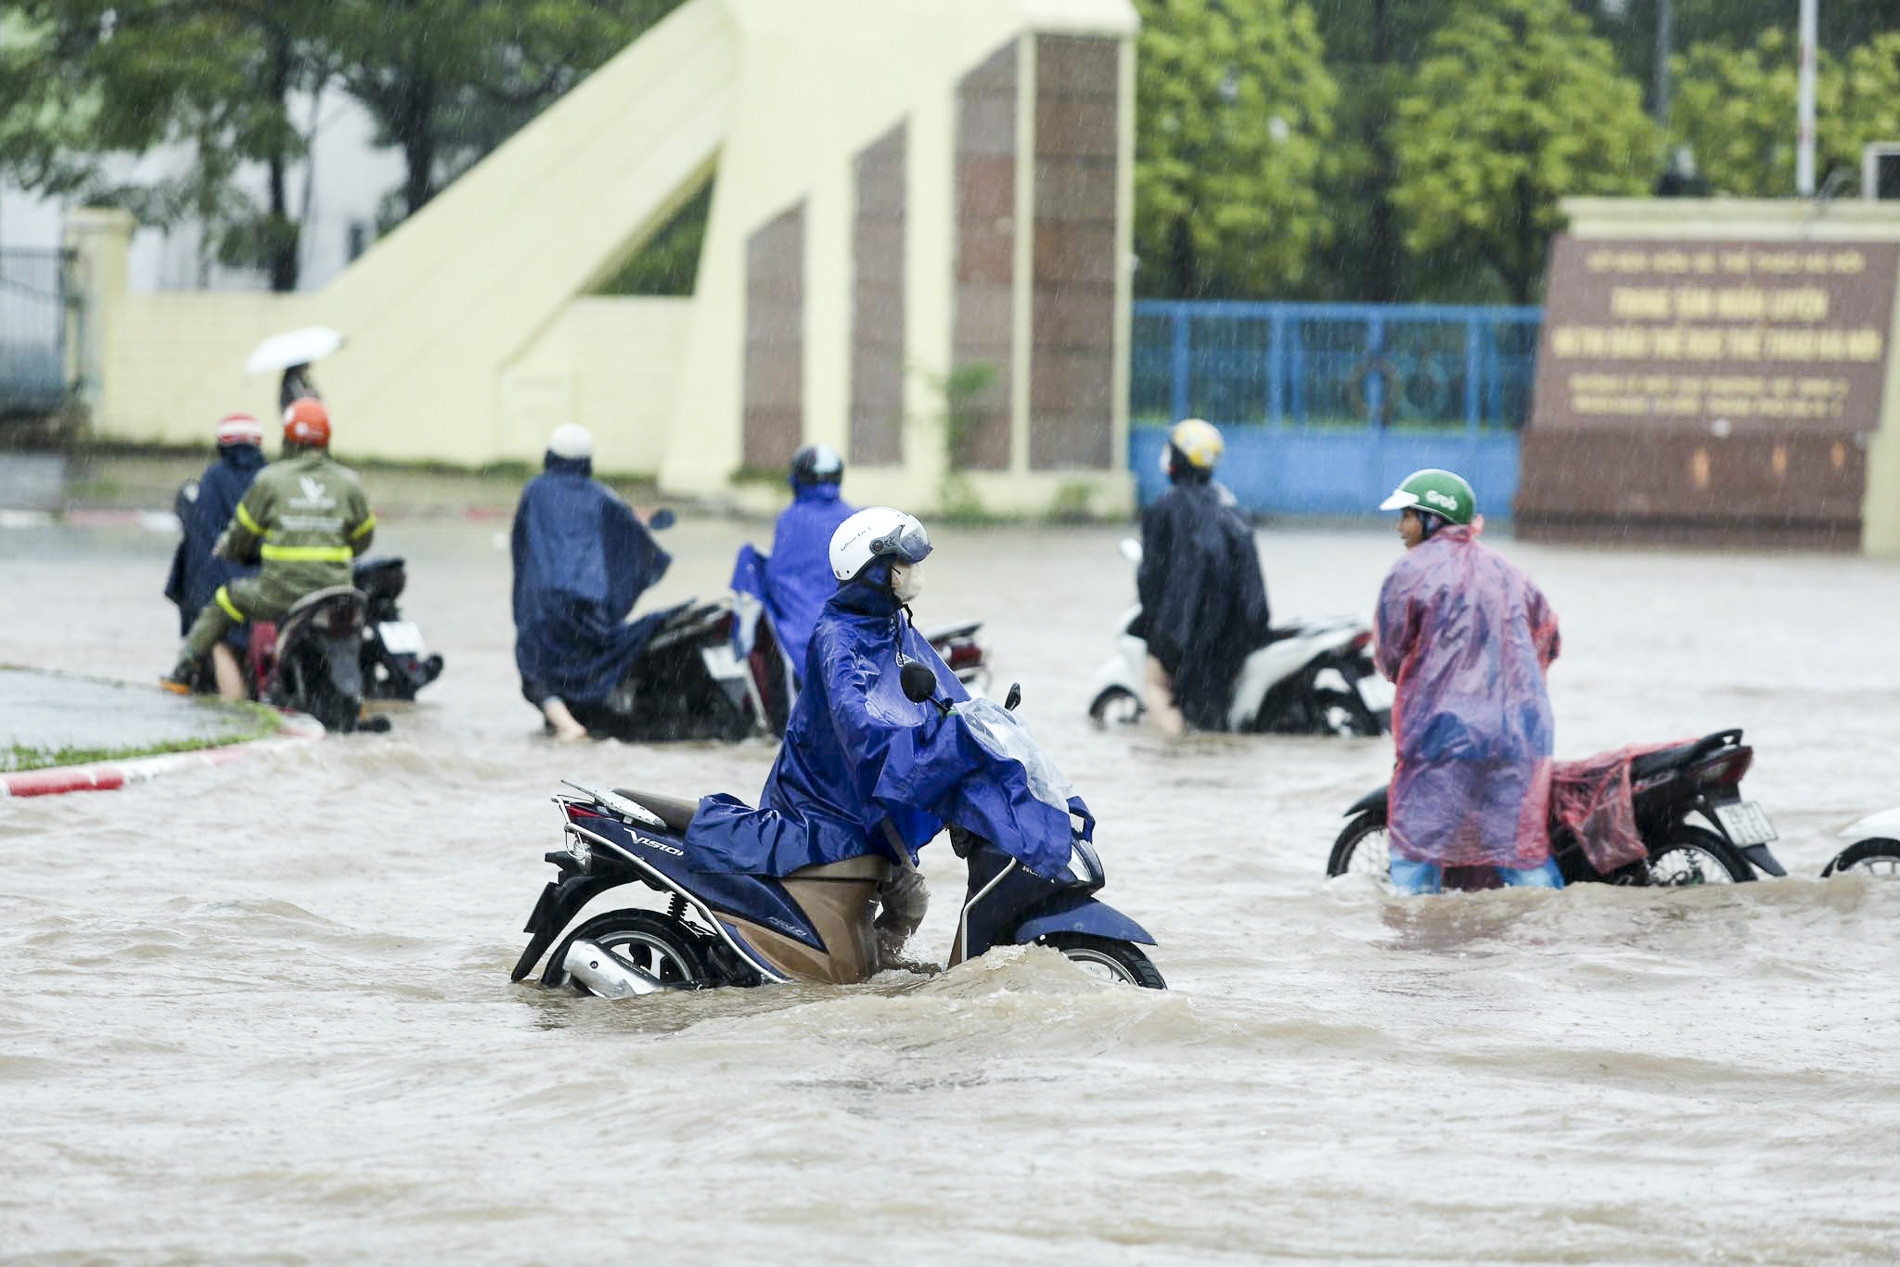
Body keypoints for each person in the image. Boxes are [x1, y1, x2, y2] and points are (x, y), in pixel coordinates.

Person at [688, 507, 955, 966]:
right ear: (874, 572)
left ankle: (873, 961)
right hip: (821, 799)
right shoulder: (836, 636)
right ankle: (856, 966)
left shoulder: (891, 623)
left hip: (862, 792)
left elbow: (943, 688)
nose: (913, 574)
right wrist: (907, 750)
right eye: (904, 565)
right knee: (890, 896)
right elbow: (857, 718)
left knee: (910, 899)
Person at [1374, 468, 1564, 896]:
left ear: (1430, 519)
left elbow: (1390, 655)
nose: (1400, 528)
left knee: (1416, 850)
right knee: (1519, 850)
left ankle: (1405, 943)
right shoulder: (1509, 570)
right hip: (1518, 735)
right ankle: (1554, 933)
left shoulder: (1409, 573)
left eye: (1406, 516)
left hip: (1443, 736)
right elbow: (1548, 639)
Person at [161, 398, 376, 693]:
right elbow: (363, 537)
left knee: (226, 600)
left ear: (288, 437)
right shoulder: (349, 482)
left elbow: (241, 535)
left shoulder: (271, 480)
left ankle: (182, 670)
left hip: (279, 593)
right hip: (335, 591)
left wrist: (230, 550)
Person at [511, 423, 672, 741]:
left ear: (550, 455)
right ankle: (582, 721)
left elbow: (521, 547)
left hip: (543, 600)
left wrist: (527, 596)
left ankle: (567, 726)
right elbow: (635, 543)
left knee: (534, 667)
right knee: (588, 662)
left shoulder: (535, 490)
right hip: (589, 601)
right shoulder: (600, 495)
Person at [1134, 418, 1273, 734]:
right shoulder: (1231, 505)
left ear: (1180, 458)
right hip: (1233, 636)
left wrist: (1155, 628)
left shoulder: (1164, 507)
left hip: (1183, 631)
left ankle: (1178, 751)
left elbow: (1151, 577)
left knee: (1156, 687)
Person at [163, 413, 268, 698]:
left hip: (226, 590)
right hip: (271, 585)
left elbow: (202, 543)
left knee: (221, 644)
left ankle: (233, 711)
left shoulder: (213, 478)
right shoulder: (271, 477)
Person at [763, 444, 856, 678]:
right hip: (850, 630)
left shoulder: (790, 519)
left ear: (797, 479)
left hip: (802, 632)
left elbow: (777, 577)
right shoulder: (855, 518)